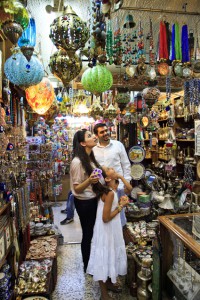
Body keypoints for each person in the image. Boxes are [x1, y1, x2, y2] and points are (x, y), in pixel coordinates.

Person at [87, 166, 132, 300]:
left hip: (111, 228)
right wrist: (121, 207)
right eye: (109, 168)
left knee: (108, 255)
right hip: (107, 229)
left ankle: (109, 284)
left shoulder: (110, 191)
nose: (111, 167)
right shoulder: (110, 192)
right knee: (104, 257)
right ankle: (104, 295)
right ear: (107, 178)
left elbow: (109, 208)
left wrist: (120, 203)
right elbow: (106, 218)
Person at [70, 129, 108, 273]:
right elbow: (78, 189)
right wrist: (89, 180)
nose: (94, 137)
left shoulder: (90, 157)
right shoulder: (77, 162)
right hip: (84, 203)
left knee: (92, 232)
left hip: (93, 200)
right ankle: (87, 266)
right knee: (87, 234)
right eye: (90, 136)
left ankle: (93, 262)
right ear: (82, 143)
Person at [93, 123, 132, 227]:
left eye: (106, 130)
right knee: (104, 215)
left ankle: (121, 236)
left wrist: (126, 183)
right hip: (101, 188)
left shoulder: (118, 145)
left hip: (118, 187)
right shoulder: (93, 150)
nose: (105, 133)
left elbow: (126, 164)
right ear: (97, 135)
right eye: (102, 132)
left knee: (119, 217)